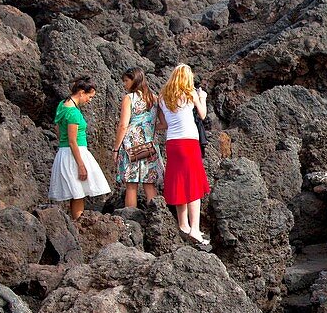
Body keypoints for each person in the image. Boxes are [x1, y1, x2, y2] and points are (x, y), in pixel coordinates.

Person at [158, 64, 211, 245]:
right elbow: (202, 115)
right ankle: (195, 229)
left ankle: (183, 225)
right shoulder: (190, 94)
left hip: (172, 143)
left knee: (179, 182)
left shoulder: (163, 97)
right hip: (189, 142)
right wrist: (203, 98)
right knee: (194, 184)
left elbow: (164, 124)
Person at [49, 76, 110, 219]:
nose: (90, 100)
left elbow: (57, 128)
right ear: (81, 92)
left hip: (64, 152)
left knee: (76, 193)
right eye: (90, 96)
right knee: (78, 194)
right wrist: (81, 165)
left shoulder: (62, 105)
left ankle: (76, 224)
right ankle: (78, 224)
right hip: (75, 154)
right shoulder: (74, 113)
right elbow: (72, 141)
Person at [111, 67, 163, 208]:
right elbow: (164, 124)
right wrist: (148, 127)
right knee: (149, 184)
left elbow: (123, 125)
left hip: (131, 145)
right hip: (149, 145)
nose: (124, 84)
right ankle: (155, 216)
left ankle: (131, 222)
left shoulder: (129, 98)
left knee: (131, 186)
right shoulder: (154, 98)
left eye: (126, 80)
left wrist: (115, 149)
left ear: (134, 80)